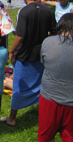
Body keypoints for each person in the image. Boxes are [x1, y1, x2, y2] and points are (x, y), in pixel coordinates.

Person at [0, 0, 56, 127]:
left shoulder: (25, 12)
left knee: (19, 85)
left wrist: (12, 50)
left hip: (25, 54)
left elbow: (21, 35)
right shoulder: (48, 11)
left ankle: (12, 118)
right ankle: (42, 111)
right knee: (40, 82)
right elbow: (54, 32)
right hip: (42, 53)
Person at [38, 13, 73, 142]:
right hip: (70, 101)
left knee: (46, 135)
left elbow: (45, 63)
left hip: (49, 97)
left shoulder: (48, 42)